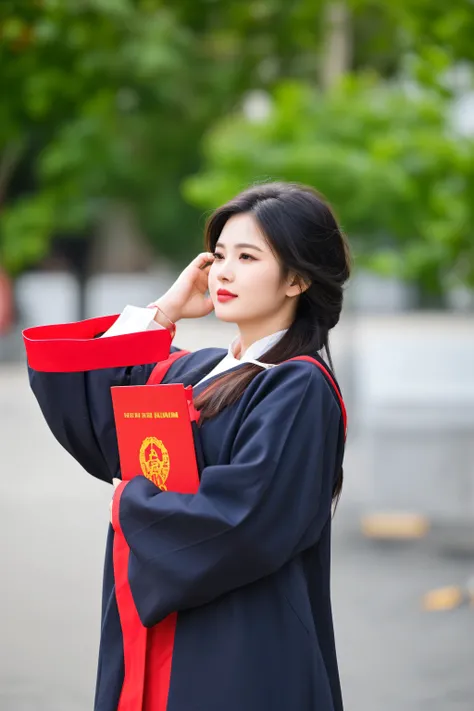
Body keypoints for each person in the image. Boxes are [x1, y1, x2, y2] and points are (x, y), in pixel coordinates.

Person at [24, 182, 351, 711]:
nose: (222, 272)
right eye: (219, 254)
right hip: (164, 630)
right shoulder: (196, 372)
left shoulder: (299, 386)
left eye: (247, 257)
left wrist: (131, 505)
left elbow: (246, 519)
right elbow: (83, 403)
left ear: (297, 278)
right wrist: (165, 310)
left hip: (242, 642)